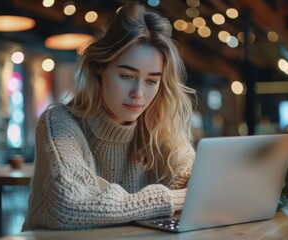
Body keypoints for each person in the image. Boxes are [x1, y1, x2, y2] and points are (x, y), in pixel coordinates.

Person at [22, 2, 196, 230]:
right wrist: (174, 199)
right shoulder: (60, 123)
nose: (138, 94)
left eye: (152, 81)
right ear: (99, 68)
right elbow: (70, 206)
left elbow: (201, 186)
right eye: (126, 76)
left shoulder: (160, 127)